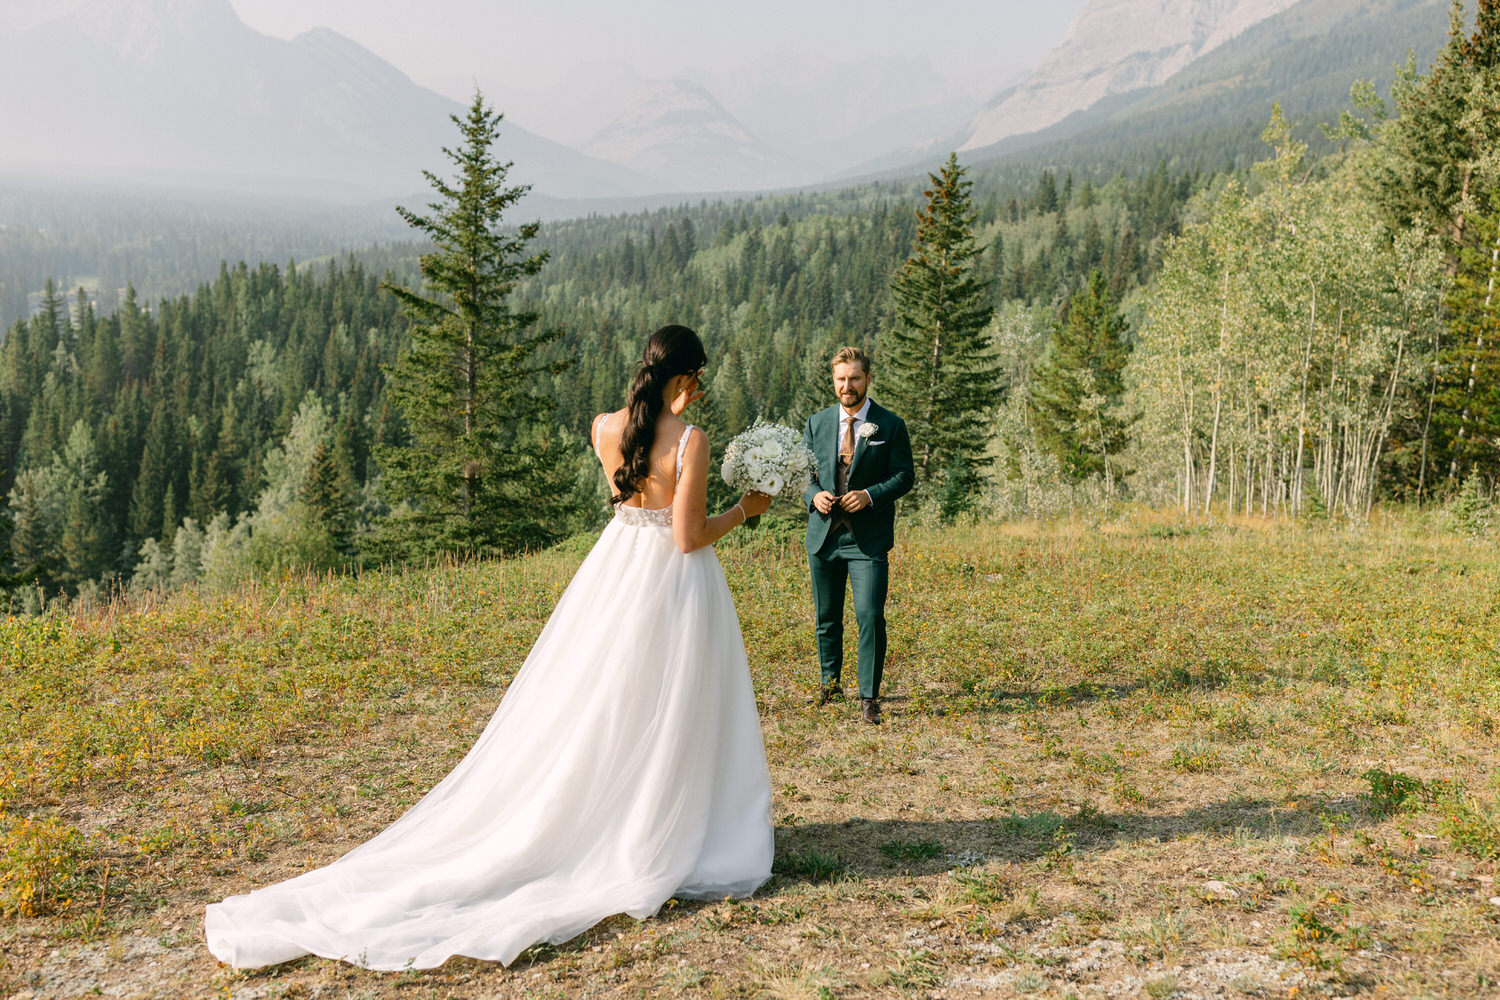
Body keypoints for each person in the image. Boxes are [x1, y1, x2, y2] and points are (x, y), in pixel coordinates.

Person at [204, 324, 774, 971]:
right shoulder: (691, 441)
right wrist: (747, 511)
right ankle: (658, 822)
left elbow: (635, 506)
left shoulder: (602, 428)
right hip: (673, 588)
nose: (698, 393)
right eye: (697, 381)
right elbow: (687, 537)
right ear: (685, 379)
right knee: (669, 706)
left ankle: (608, 811)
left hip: (614, 574)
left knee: (601, 702)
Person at [800, 346, 914, 724]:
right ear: (833, 381)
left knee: (869, 615)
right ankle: (830, 686)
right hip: (824, 537)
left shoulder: (890, 424)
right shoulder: (817, 424)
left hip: (868, 540)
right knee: (826, 617)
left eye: (854, 378)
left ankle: (869, 697)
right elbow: (803, 473)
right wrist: (813, 494)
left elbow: (903, 476)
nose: (847, 386)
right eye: (841, 379)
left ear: (867, 379)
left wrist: (869, 495)